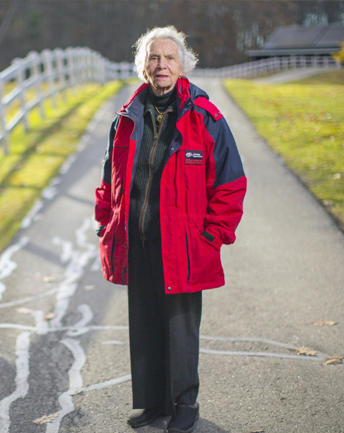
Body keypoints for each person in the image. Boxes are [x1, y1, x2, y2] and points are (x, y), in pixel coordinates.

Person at [94, 26, 246, 433]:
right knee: (143, 325)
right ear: (144, 66)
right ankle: (149, 403)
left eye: (169, 58)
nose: (161, 65)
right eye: (154, 58)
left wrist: (213, 235)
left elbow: (230, 184)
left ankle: (184, 407)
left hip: (183, 245)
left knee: (179, 331)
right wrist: (105, 222)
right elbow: (110, 179)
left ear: (183, 65)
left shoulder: (206, 118)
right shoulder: (125, 120)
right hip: (137, 241)